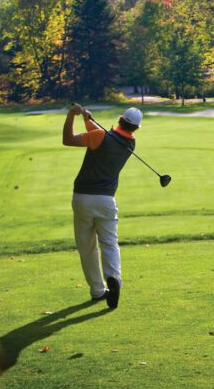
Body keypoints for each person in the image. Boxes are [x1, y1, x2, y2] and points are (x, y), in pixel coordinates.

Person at [62, 104, 143, 309]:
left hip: (82, 198)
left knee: (87, 247)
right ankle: (113, 278)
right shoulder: (129, 144)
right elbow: (99, 136)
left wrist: (72, 114)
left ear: (119, 120)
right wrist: (87, 119)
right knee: (109, 242)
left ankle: (98, 290)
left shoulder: (100, 136)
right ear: (135, 128)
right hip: (106, 201)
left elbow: (68, 140)